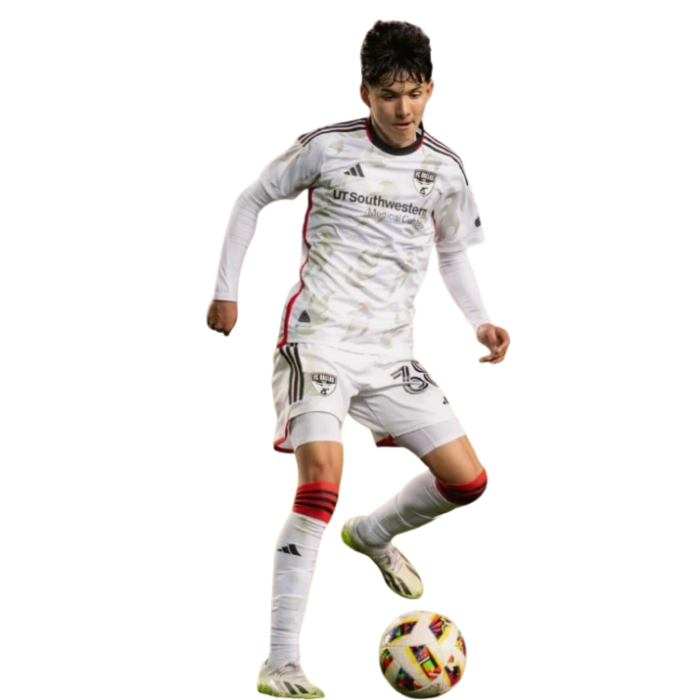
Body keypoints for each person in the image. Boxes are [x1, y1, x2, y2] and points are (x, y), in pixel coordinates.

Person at [205, 18, 511, 700]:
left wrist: (481, 322)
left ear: (431, 90)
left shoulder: (445, 169)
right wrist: (227, 291)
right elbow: (251, 199)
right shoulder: (326, 147)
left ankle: (371, 535)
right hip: (316, 339)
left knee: (468, 482)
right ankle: (281, 661)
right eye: (387, 95)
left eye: (413, 93)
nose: (402, 109)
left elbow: (452, 254)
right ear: (365, 93)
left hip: (389, 352)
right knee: (320, 486)